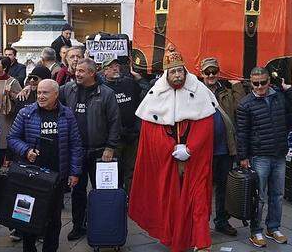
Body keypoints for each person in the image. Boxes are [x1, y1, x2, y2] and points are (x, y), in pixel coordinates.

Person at [129, 45, 218, 252]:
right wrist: (170, 148)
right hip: (168, 159)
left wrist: (190, 149)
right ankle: (176, 238)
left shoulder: (199, 90)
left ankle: (202, 242)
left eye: (180, 70)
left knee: (198, 199)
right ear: (166, 74)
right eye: (173, 71)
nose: (178, 75)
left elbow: (205, 124)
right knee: (172, 201)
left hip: (194, 158)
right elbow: (150, 130)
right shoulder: (155, 94)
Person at [7, 79, 83, 252]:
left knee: (54, 218)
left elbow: (75, 144)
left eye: (45, 93)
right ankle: (29, 248)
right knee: (27, 215)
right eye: (39, 92)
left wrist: (74, 172)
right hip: (32, 175)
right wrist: (26, 151)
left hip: (57, 175)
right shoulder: (26, 113)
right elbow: (12, 138)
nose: (40, 96)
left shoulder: (67, 114)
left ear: (56, 94)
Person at [237, 66, 292, 247]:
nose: (259, 87)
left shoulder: (279, 96)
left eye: (262, 83)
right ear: (250, 83)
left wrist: (289, 89)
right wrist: (243, 157)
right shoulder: (245, 104)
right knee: (259, 196)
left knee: (278, 194)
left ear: (269, 81)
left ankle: (273, 227)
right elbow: (241, 132)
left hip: (279, 153)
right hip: (259, 156)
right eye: (255, 84)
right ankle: (255, 231)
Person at [59, 58, 121, 241]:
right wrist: (30, 87)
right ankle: (79, 226)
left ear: (92, 73)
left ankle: (103, 226)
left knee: (101, 190)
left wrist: (110, 147)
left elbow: (115, 122)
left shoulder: (107, 93)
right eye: (76, 70)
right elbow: (51, 93)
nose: (77, 74)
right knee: (77, 191)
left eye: (81, 71)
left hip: (99, 151)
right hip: (76, 152)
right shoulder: (68, 89)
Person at [199, 57, 244, 236]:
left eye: (214, 72)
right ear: (201, 74)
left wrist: (237, 85)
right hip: (203, 150)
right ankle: (201, 222)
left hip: (225, 149)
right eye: (207, 72)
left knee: (224, 188)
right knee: (202, 189)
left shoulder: (226, 91)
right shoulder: (195, 91)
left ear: (219, 73)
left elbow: (241, 107)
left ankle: (221, 221)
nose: (211, 75)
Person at [101, 56, 144, 195]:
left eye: (117, 66)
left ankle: (131, 200)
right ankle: (117, 199)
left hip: (132, 135)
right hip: (115, 138)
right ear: (104, 71)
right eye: (111, 67)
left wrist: (139, 79)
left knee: (131, 170)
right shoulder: (102, 89)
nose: (115, 68)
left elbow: (146, 96)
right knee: (115, 170)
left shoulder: (129, 83)